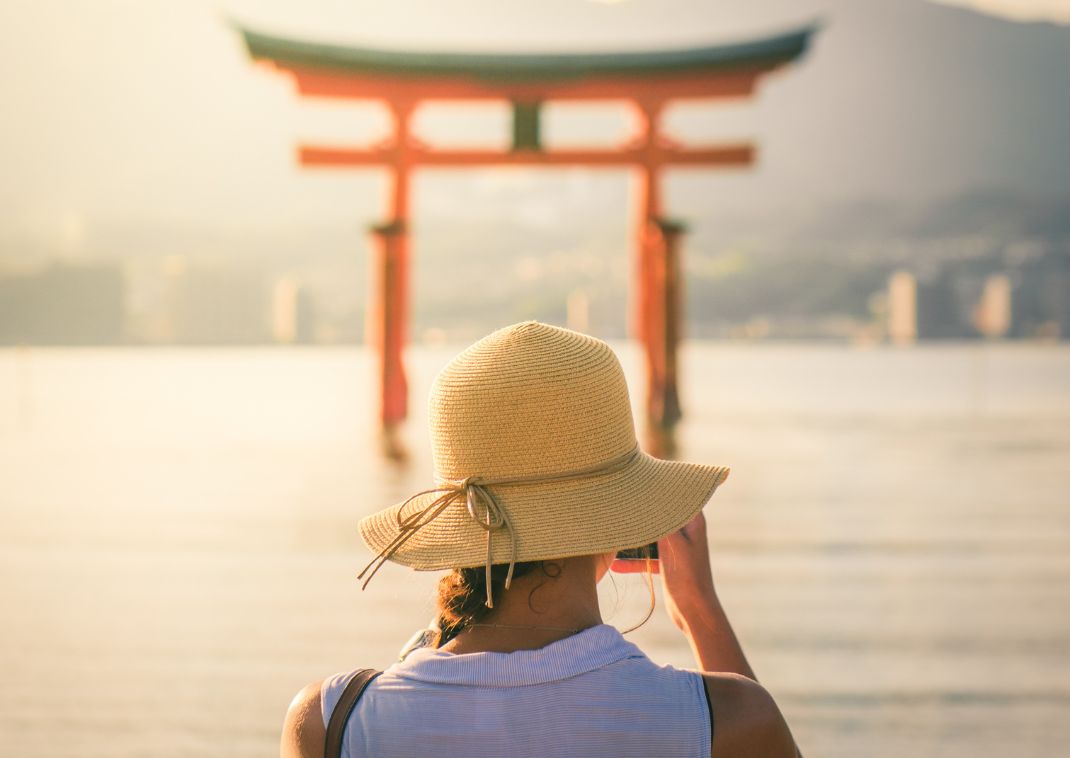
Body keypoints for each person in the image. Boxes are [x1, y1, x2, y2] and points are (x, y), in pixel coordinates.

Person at [281, 321, 800, 757]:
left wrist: (436, 637)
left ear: (455, 529)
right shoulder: (728, 720)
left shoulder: (332, 722)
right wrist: (698, 608)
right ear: (623, 520)